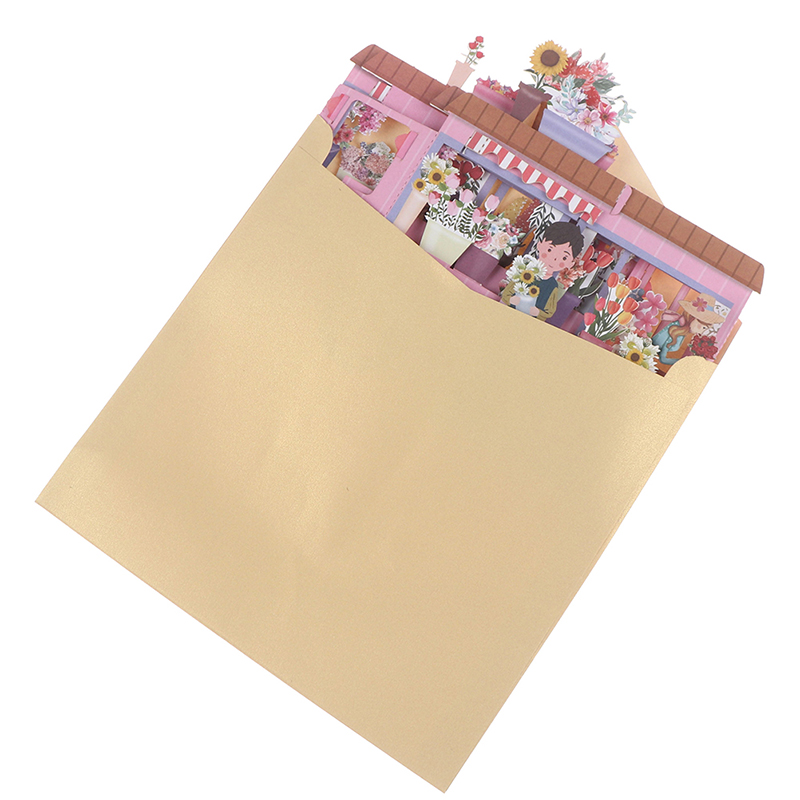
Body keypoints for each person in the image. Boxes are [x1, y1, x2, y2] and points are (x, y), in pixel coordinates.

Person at [500, 221, 584, 319]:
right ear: (539, 245)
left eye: (564, 258)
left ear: (571, 263)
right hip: (505, 314)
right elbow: (506, 293)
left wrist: (538, 312)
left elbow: (549, 311)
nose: (554, 258)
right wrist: (511, 300)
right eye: (550, 250)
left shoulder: (552, 286)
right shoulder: (525, 272)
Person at [652, 293, 725, 366]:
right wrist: (685, 362)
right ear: (692, 318)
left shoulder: (682, 331)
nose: (702, 332)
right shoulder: (677, 330)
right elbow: (663, 359)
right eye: (703, 328)